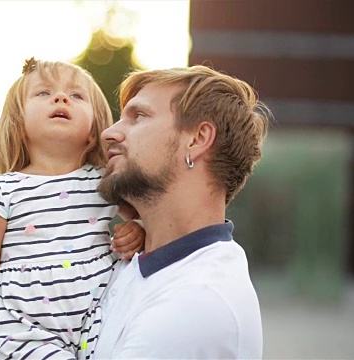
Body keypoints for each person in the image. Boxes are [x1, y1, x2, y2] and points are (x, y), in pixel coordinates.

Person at [0, 58, 145, 360]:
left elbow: (147, 218)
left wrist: (137, 232)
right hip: (23, 329)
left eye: (76, 96)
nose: (60, 98)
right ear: (19, 123)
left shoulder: (106, 181)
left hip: (96, 321)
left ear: (93, 128)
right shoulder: (0, 190)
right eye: (43, 93)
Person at [93, 65, 270, 359]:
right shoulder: (143, 261)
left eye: (138, 117)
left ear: (198, 139)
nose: (109, 133)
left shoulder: (196, 302)